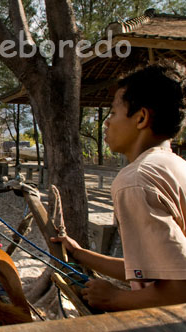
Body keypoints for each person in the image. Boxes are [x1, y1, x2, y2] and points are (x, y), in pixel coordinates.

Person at [51, 63, 186, 311]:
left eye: (113, 113)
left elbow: (180, 290)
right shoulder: (175, 166)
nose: (106, 123)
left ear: (141, 118)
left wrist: (116, 298)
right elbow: (154, 268)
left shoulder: (136, 180)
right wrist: (81, 254)